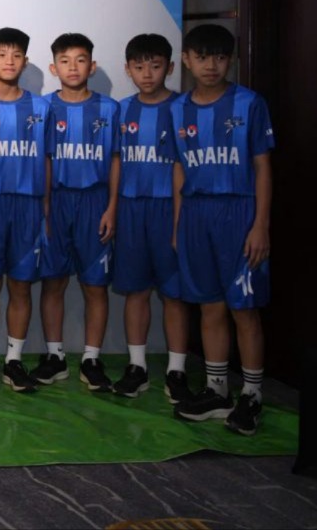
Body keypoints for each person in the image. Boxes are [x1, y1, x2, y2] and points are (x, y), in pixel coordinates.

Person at [170, 24, 273, 436]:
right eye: (202, 57)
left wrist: (260, 224)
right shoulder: (178, 109)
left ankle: (252, 394)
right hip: (196, 215)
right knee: (209, 306)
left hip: (239, 212)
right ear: (187, 60)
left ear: (231, 60)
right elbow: (179, 168)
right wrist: (178, 224)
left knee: (243, 308)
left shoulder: (249, 103)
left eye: (220, 57)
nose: (211, 65)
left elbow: (263, 167)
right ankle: (217, 389)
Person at [36, 33, 121, 392]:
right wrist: (44, 207)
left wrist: (112, 207)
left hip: (94, 202)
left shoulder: (109, 109)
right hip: (56, 203)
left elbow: (115, 160)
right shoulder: (43, 108)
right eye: (65, 61)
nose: (73, 67)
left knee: (95, 285)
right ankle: (54, 355)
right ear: (54, 67)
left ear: (93, 65)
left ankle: (91, 359)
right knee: (53, 281)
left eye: (81, 59)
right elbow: (43, 160)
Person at [0, 27, 49, 394]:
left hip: (28, 205)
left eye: (16, 55)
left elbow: (47, 160)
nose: (9, 61)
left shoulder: (41, 107)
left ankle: (14, 361)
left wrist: (46, 206)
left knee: (21, 285)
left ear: (25, 61)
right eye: (2, 54)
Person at [111, 33, 191, 403]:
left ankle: (177, 370)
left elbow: (183, 167)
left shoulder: (182, 108)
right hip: (131, 209)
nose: (147, 73)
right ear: (128, 69)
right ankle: (137, 366)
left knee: (174, 294)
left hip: (168, 209)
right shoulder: (122, 110)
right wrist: (113, 208)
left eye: (155, 66)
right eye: (139, 66)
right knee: (136, 290)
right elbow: (116, 162)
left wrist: (179, 221)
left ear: (169, 68)